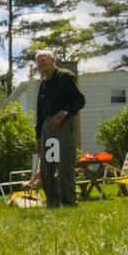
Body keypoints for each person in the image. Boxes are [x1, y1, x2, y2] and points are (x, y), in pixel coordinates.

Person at [27, 50, 86, 208]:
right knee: (48, 166)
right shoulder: (43, 84)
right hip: (48, 128)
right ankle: (53, 203)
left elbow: (79, 101)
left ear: (53, 60)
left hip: (64, 125)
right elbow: (40, 113)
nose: (41, 64)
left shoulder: (65, 77)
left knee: (64, 164)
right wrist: (38, 136)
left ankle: (69, 203)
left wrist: (64, 112)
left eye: (44, 60)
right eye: (38, 62)